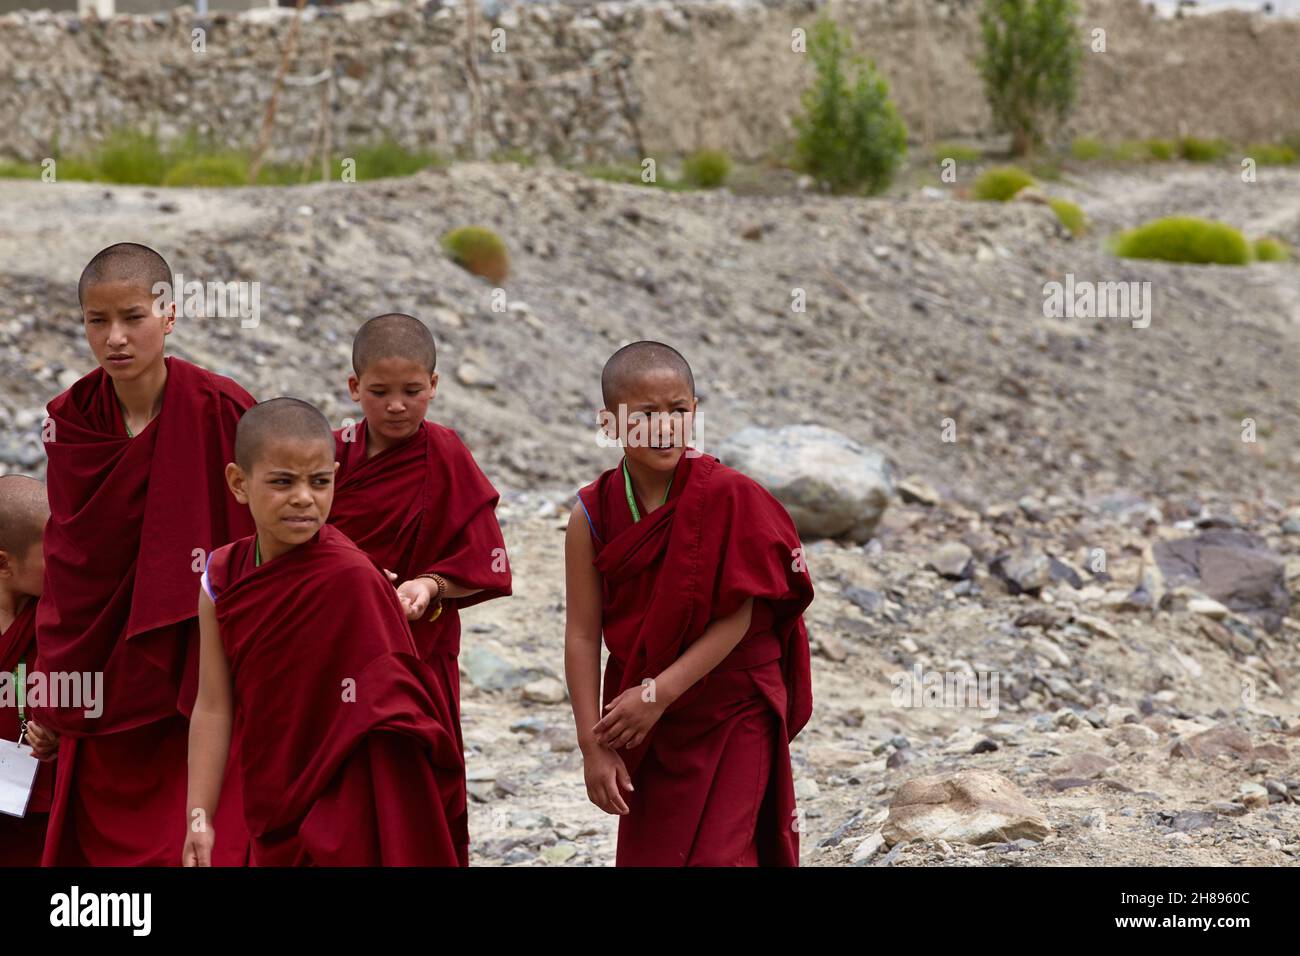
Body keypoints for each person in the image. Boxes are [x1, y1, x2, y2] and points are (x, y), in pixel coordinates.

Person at [33, 242, 253, 865]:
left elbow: (268, 533)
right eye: (97, 322)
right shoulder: (71, 421)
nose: (116, 339)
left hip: (201, 668)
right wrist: (52, 687)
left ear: (170, 315)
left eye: (133, 317)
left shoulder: (222, 409)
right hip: (104, 674)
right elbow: (71, 565)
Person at [564, 340, 814, 866]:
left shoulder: (729, 495)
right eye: (645, 414)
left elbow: (739, 615)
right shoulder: (592, 514)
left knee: (726, 854)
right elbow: (583, 634)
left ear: (695, 415)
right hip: (646, 725)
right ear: (609, 424)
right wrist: (593, 745)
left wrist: (658, 694)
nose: (664, 426)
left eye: (678, 411)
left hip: (729, 705)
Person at [184, 398, 463, 866]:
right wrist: (200, 815)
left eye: (319, 482)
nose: (303, 498)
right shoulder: (220, 575)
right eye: (281, 482)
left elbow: (394, 706)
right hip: (272, 792)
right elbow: (213, 703)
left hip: (347, 801)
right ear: (238, 483)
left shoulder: (352, 577)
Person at [327, 313, 511, 865]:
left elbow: (482, 556)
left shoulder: (446, 453)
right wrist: (350, 575)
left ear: (434, 385)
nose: (397, 405)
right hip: (335, 650)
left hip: (419, 655)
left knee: (416, 779)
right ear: (354, 387)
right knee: (338, 788)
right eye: (379, 392)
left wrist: (429, 585)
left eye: (412, 391)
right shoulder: (329, 455)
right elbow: (289, 536)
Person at [0, 475, 54, 865]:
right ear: (4, 562)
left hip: (38, 800)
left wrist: (60, 733)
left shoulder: (57, 617)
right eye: (53, 552)